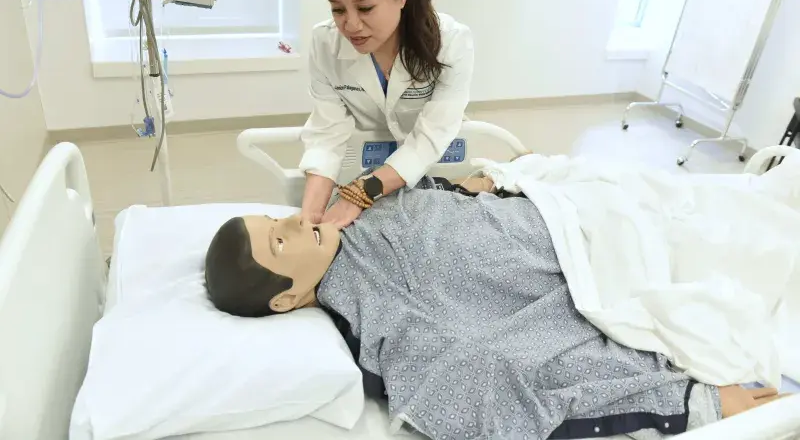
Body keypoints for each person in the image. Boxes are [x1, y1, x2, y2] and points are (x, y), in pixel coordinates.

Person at [204, 176, 788, 440]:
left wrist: (489, 182)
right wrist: (685, 403)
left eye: (276, 218)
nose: (292, 221)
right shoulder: (371, 306)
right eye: (278, 240)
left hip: (569, 211)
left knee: (737, 206)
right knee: (764, 247)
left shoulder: (345, 213)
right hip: (590, 264)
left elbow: (423, 188)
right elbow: (485, 371)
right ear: (287, 299)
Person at [298, 0, 475, 230]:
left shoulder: (451, 42)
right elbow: (327, 135)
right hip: (364, 172)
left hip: (430, 165)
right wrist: (309, 217)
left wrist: (361, 194)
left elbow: (431, 136)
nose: (350, 25)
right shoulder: (324, 43)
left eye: (365, 8)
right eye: (337, 9)